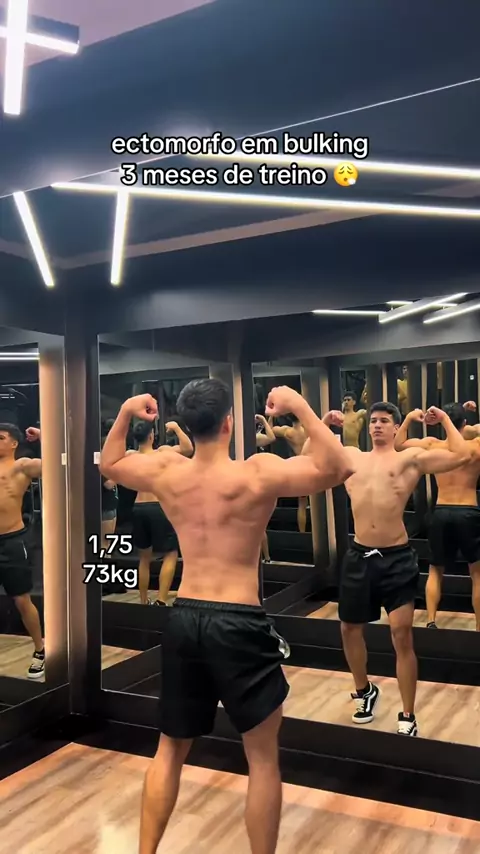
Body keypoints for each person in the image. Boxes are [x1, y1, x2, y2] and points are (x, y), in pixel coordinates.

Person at [100, 379, 355, 854]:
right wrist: (299, 406)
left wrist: (127, 412)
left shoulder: (168, 471)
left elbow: (109, 463)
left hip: (185, 616)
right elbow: (340, 467)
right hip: (239, 619)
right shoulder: (256, 473)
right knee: (261, 759)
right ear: (228, 423)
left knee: (169, 749)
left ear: (189, 424)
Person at [337, 402, 468, 737]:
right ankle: (364, 691)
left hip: (396, 558)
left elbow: (461, 455)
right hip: (359, 556)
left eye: (385, 421)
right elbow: (312, 453)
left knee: (401, 633)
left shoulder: (409, 459)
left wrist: (445, 419)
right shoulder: (353, 458)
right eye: (374, 421)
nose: (377, 426)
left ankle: (408, 713)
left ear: (396, 428)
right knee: (349, 629)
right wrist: (324, 423)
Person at [395, 403, 480, 630]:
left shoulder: (433, 445)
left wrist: (409, 418)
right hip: (468, 511)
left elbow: (398, 444)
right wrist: (466, 419)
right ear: (464, 423)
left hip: (441, 511)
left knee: (435, 570)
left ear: (443, 424)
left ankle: (431, 620)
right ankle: (479, 627)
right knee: (477, 573)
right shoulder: (475, 446)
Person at [130, 419, 193, 606]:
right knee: (170, 553)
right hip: (158, 506)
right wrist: (176, 428)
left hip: (139, 507)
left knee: (144, 558)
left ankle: (143, 601)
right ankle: (161, 599)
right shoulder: (162, 453)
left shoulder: (130, 456)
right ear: (151, 436)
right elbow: (188, 449)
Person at [0, 424, 44, 678]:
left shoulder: (21, 466)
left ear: (14, 443)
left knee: (21, 600)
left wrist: (44, 437)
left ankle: (40, 649)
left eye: (1, 438)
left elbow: (57, 464)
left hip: (13, 542)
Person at [270, 412, 308, 532]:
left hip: (299, 467)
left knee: (302, 504)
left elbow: (270, 430)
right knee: (317, 502)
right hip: (310, 464)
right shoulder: (308, 431)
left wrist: (271, 416)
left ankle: (302, 533)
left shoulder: (288, 432)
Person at [255, 415, 276, 562]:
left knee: (259, 525)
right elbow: (271, 437)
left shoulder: (251, 437)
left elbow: (271, 437)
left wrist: (263, 420)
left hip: (254, 482)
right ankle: (264, 558)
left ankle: (266, 557)